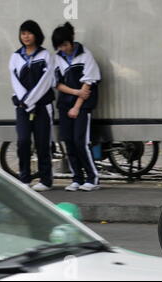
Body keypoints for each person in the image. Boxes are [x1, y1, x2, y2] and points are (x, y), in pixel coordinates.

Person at [52, 22, 101, 192]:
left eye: (65, 44)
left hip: (83, 107)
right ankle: (77, 178)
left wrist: (77, 106)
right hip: (65, 105)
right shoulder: (57, 57)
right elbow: (57, 83)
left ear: (71, 41)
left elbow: (89, 83)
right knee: (68, 141)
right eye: (60, 46)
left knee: (81, 141)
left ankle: (92, 178)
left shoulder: (85, 55)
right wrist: (76, 92)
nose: (63, 48)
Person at [9, 20, 55, 192]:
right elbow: (15, 81)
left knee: (43, 143)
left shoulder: (45, 56)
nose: (26, 36)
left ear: (36, 34)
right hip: (22, 107)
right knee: (23, 141)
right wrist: (26, 102)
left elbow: (45, 82)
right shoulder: (15, 57)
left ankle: (45, 180)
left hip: (43, 107)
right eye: (23, 33)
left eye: (29, 33)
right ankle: (25, 179)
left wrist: (31, 100)